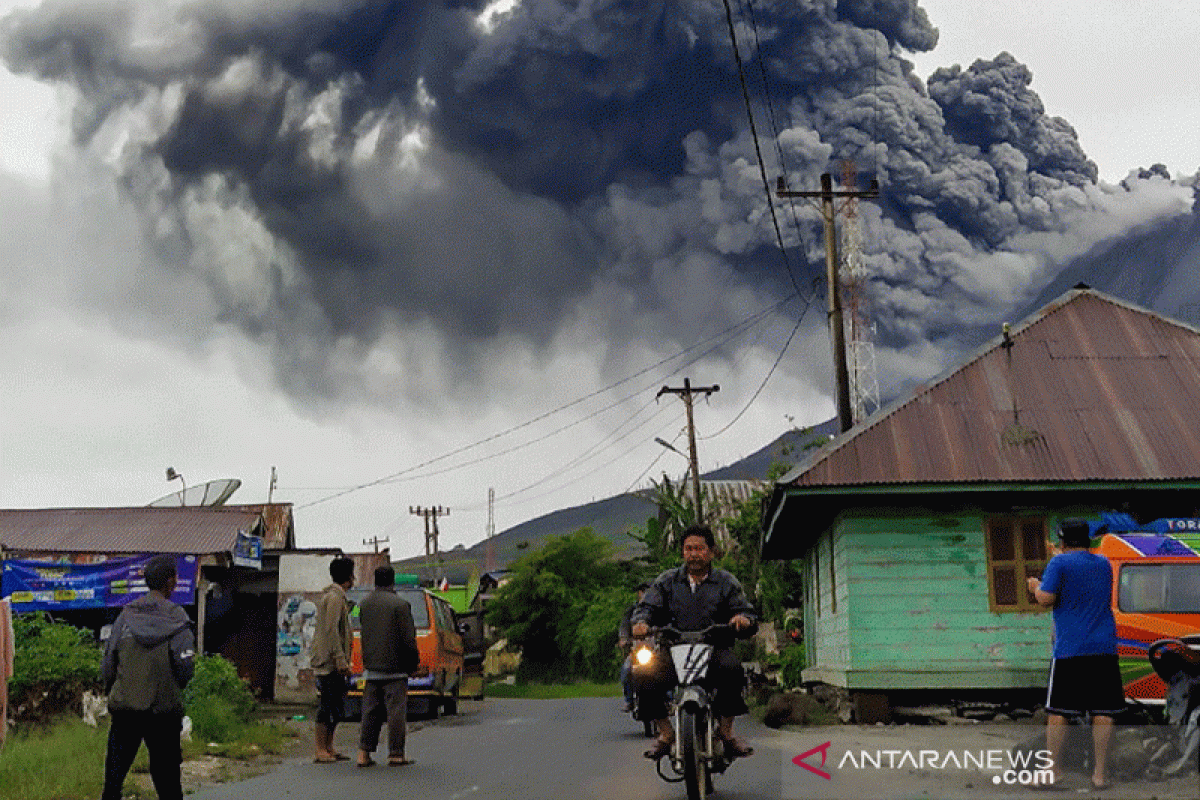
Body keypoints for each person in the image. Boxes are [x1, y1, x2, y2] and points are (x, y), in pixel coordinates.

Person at [631, 524, 757, 760]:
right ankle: (666, 734)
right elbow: (646, 607)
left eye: (699, 548)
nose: (693, 554)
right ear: (682, 552)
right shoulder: (666, 581)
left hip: (714, 649)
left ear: (710, 552)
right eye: (688, 548)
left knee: (732, 669)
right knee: (642, 672)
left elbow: (746, 611)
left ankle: (727, 733)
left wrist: (742, 619)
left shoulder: (726, 582)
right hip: (674, 649)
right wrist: (641, 622)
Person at [1027, 519, 1124, 792]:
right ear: (1088, 539)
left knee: (1058, 711)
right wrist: (1058, 559)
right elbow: (1079, 570)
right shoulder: (1103, 563)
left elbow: (1046, 599)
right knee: (1103, 711)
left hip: (1071, 649)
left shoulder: (1059, 565)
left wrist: (1035, 585)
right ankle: (1099, 775)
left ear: (1062, 540)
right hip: (1104, 647)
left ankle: (1052, 770)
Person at [100, 555, 195, 800]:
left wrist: (117, 691)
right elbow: (185, 668)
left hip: (126, 709)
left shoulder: (125, 617)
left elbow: (108, 663)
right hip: (163, 712)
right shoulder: (177, 619)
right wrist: (173, 688)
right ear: (171, 582)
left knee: (113, 781)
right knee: (168, 784)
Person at [356, 565, 420, 767]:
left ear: (375, 581)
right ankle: (395, 754)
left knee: (370, 712)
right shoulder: (400, 605)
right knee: (395, 713)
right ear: (393, 581)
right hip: (395, 668)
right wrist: (413, 665)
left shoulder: (364, 604)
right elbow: (408, 640)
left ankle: (363, 754)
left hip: (372, 666)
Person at [312, 556, 355, 763]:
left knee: (337, 706)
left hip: (335, 662)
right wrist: (340, 660)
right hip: (329, 663)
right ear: (349, 576)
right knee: (327, 705)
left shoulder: (338, 597)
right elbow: (331, 631)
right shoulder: (334, 598)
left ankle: (329, 746)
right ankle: (321, 748)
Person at [618, 581, 651, 713]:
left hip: (657, 648)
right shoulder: (632, 610)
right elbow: (624, 626)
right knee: (626, 670)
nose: (645, 594)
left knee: (668, 670)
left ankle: (669, 699)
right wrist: (624, 638)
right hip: (637, 650)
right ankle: (629, 700)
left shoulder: (660, 609)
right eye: (643, 591)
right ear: (639, 593)